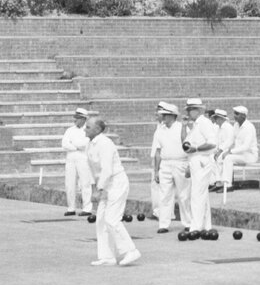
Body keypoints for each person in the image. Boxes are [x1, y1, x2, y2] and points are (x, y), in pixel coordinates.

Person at [84, 115, 140, 267]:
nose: (85, 128)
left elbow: (107, 169)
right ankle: (107, 256)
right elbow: (93, 169)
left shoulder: (105, 143)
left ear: (97, 129)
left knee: (111, 219)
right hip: (105, 184)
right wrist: (96, 187)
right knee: (101, 220)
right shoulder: (90, 144)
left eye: (88, 127)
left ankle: (131, 250)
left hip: (116, 183)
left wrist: (100, 188)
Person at [150, 101, 188, 232]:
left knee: (183, 194)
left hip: (180, 162)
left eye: (165, 115)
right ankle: (163, 224)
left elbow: (188, 147)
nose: (163, 117)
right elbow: (158, 152)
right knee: (164, 195)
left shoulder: (182, 128)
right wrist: (156, 170)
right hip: (165, 164)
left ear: (172, 116)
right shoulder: (160, 130)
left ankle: (188, 223)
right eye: (162, 115)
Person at [182, 97, 218, 232]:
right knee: (201, 194)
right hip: (195, 161)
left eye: (190, 109)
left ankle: (195, 226)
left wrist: (196, 149)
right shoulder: (196, 124)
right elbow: (185, 144)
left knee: (197, 194)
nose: (188, 112)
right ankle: (205, 225)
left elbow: (212, 143)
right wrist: (184, 126)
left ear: (197, 110)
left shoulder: (204, 123)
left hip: (202, 160)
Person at [60, 107, 94, 217]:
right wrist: (75, 146)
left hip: (83, 158)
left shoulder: (87, 130)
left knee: (85, 183)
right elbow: (65, 144)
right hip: (71, 157)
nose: (75, 120)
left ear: (83, 119)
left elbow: (84, 144)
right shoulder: (70, 130)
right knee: (69, 183)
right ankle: (71, 208)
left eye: (78, 118)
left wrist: (73, 143)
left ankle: (87, 208)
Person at [219, 105, 259, 189]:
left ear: (243, 116)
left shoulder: (249, 127)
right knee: (221, 157)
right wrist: (220, 150)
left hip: (250, 155)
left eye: (237, 114)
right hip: (240, 155)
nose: (234, 116)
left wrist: (230, 152)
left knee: (228, 158)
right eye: (234, 113)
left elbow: (246, 147)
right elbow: (230, 140)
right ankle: (220, 183)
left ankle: (228, 185)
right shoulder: (236, 125)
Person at [208, 110, 233, 190]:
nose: (215, 120)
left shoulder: (227, 127)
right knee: (210, 157)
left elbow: (229, 141)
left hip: (228, 150)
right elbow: (217, 142)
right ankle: (217, 182)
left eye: (217, 118)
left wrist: (220, 151)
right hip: (221, 150)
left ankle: (223, 183)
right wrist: (215, 150)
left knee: (219, 158)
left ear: (221, 119)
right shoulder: (219, 128)